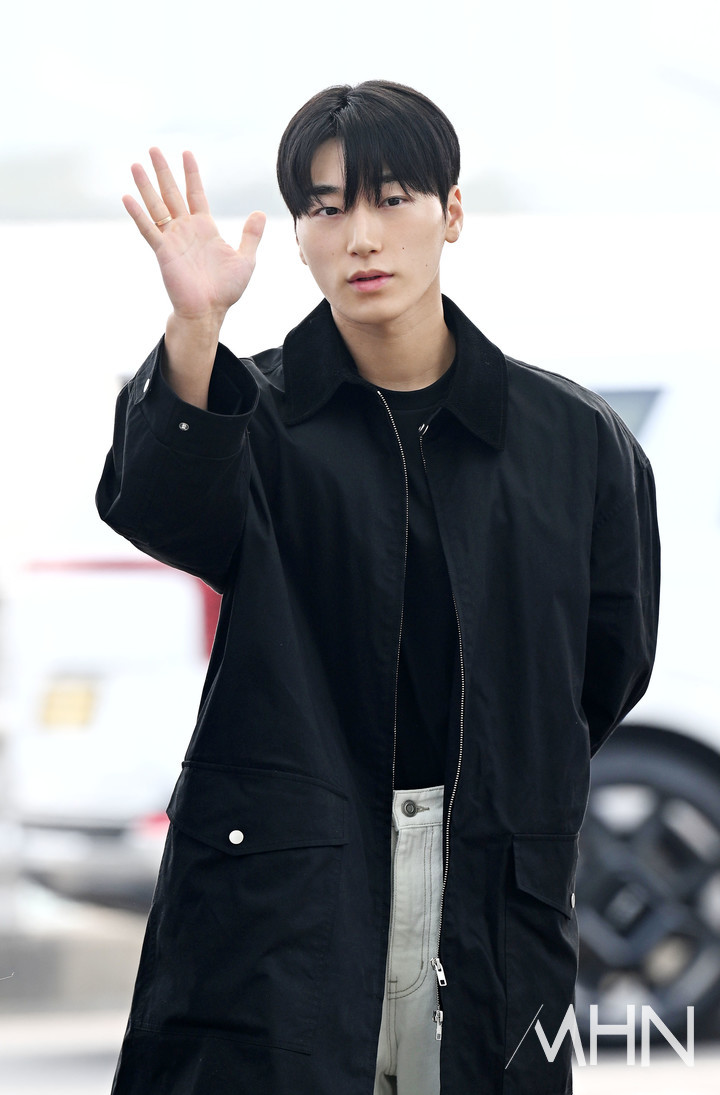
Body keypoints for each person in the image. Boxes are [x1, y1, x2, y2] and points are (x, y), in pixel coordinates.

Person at [97, 80, 660, 1095]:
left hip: (494, 880)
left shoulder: (576, 442)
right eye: (324, 208)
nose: (360, 236)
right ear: (298, 236)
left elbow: (607, 665)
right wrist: (194, 328)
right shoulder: (252, 416)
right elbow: (159, 506)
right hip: (287, 883)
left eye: (392, 198)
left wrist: (504, 779)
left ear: (452, 212)